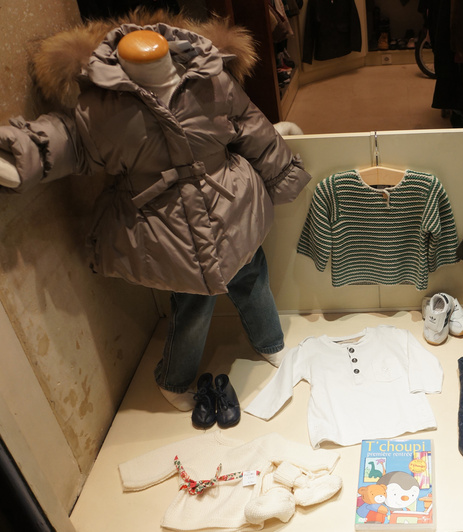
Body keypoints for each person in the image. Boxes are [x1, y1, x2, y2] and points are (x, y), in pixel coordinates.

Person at [0, 18, 311, 410]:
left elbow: (253, 129)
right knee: (193, 303)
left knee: (252, 274)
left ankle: (270, 341)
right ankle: (174, 379)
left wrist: (282, 175)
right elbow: (70, 139)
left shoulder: (210, 78)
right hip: (167, 224)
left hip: (233, 205)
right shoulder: (102, 104)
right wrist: (23, 154)